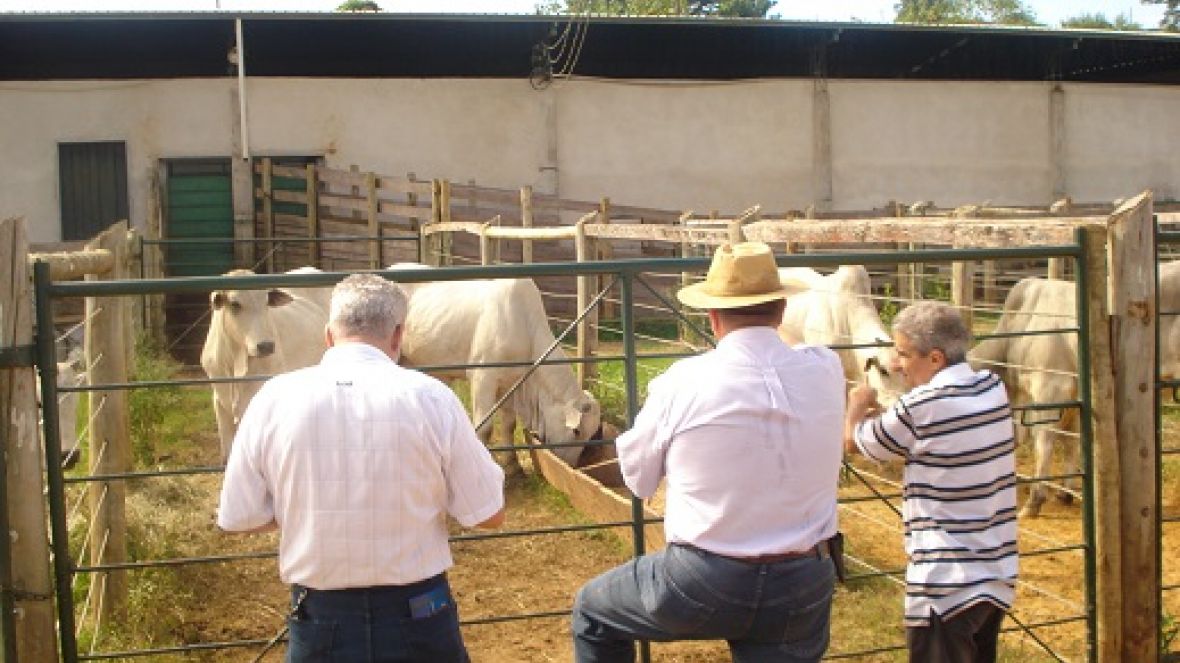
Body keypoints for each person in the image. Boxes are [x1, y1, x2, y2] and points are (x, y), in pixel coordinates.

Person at [571, 241, 847, 663]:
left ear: (712, 317)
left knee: (594, 611)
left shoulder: (682, 381)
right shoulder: (825, 368)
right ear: (781, 310)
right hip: (803, 577)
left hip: (703, 579)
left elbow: (638, 480)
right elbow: (791, 347)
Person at [217, 273, 506, 663]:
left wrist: (304, 510)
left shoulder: (273, 399)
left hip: (320, 615)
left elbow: (239, 517)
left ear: (328, 336)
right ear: (398, 337)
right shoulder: (432, 397)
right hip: (419, 610)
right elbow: (488, 514)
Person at [844, 300, 1018, 663]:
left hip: (945, 585)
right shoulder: (991, 387)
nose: (895, 364)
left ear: (935, 358)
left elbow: (855, 442)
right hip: (995, 575)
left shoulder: (921, 406)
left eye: (903, 354)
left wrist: (857, 406)